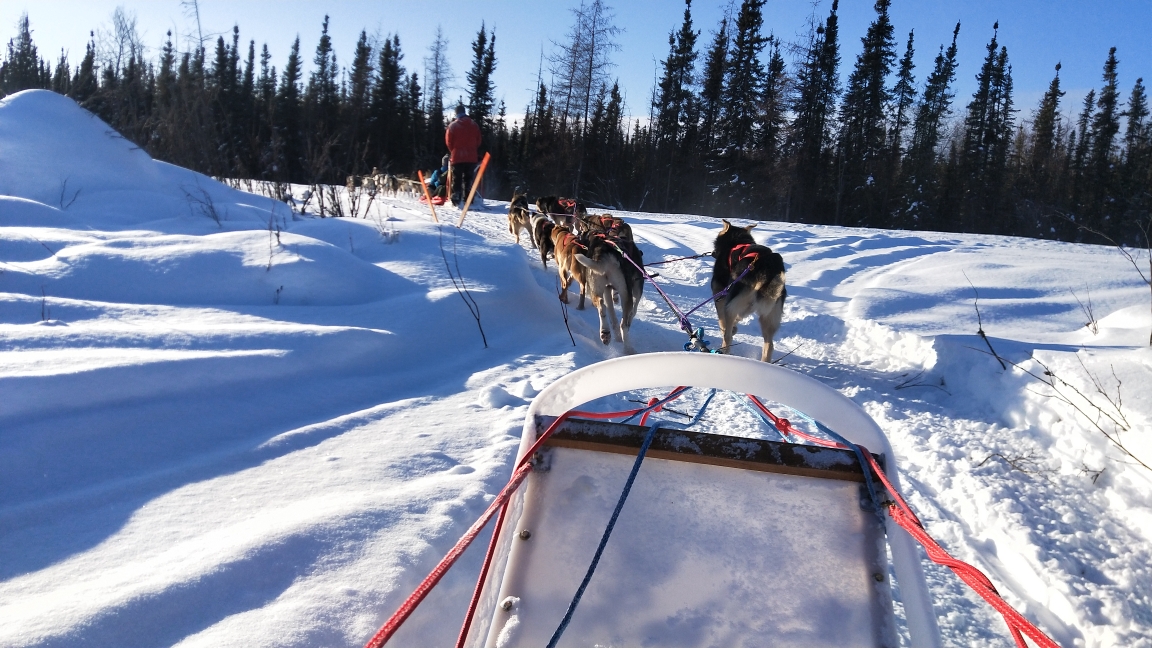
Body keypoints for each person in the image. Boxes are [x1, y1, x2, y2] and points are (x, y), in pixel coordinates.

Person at [445, 103, 482, 208]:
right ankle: (469, 199)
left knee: (457, 178)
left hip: (457, 157)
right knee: (469, 178)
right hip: (471, 157)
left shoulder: (452, 126)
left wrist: (454, 150)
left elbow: (449, 142)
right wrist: (472, 149)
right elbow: (478, 141)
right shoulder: (474, 125)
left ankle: (456, 200)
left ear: (456, 113)